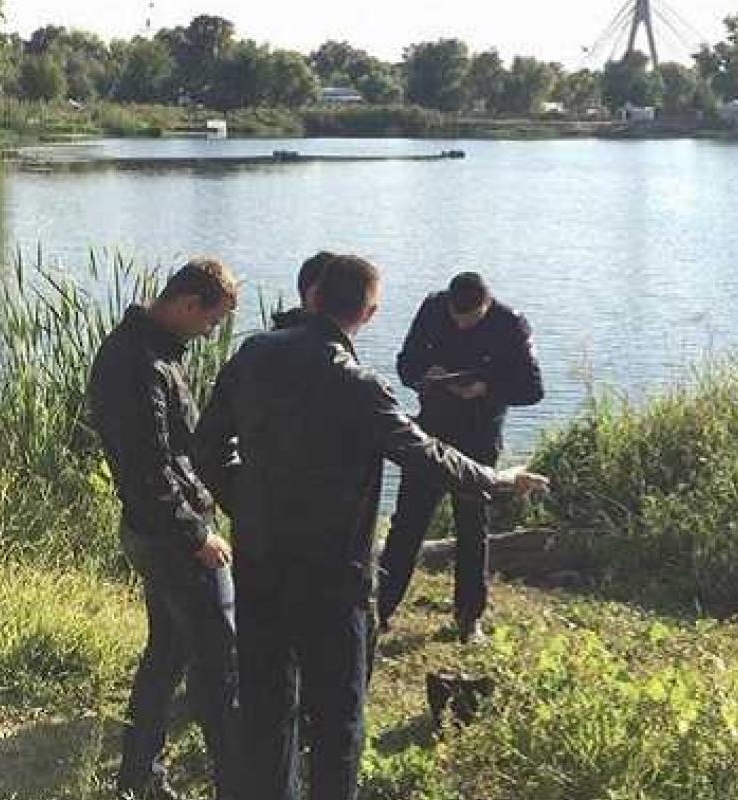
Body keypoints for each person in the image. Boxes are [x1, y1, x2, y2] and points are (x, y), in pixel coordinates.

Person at [194, 253, 547, 800]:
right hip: (334, 579)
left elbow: (207, 446)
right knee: (338, 719)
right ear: (370, 312)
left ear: (313, 298)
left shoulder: (253, 352)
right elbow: (425, 454)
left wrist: (248, 504)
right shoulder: (358, 384)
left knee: (267, 709)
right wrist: (497, 479)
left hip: (262, 564)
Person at [87, 258, 241, 800]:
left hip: (160, 531)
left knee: (168, 654)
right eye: (211, 321)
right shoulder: (136, 362)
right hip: (174, 537)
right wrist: (197, 533)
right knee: (220, 665)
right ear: (187, 304)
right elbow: (147, 468)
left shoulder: (156, 350)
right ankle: (239, 783)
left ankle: (138, 777)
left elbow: (178, 448)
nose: (210, 332)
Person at [377, 272, 544, 644]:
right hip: (431, 430)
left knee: (472, 528)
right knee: (408, 522)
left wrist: (487, 387)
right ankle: (380, 610)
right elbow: (406, 364)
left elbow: (533, 389)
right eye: (456, 317)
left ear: (486, 305)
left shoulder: (511, 324)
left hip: (480, 436)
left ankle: (469, 618)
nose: (461, 324)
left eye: (470, 319)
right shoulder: (433, 309)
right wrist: (426, 375)